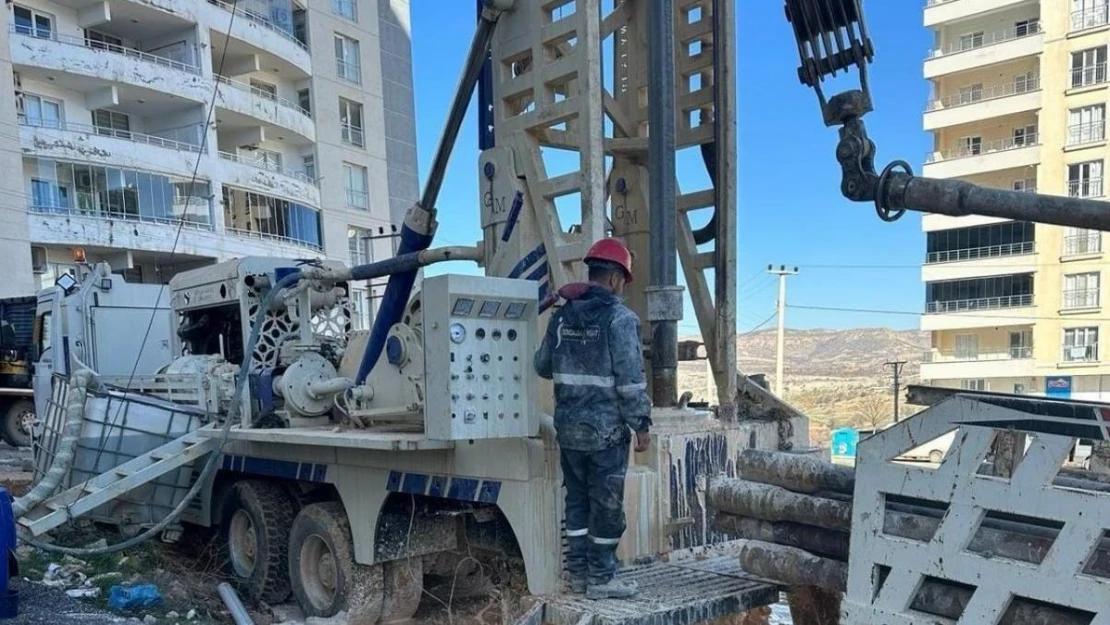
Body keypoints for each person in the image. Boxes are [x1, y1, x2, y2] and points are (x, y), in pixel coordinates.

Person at [533, 238, 651, 600]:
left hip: (568, 430)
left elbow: (542, 366)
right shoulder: (620, 319)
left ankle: (578, 577)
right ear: (615, 279)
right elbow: (631, 381)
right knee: (607, 508)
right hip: (606, 434)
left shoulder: (562, 316)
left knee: (578, 503)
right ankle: (602, 579)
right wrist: (641, 424)